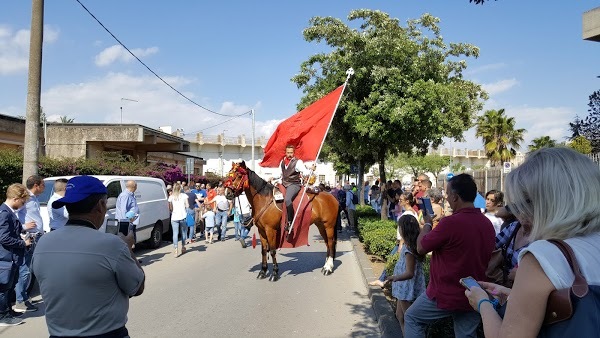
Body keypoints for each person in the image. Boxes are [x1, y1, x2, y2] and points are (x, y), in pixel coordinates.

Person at [464, 147, 600, 337]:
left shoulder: (543, 255)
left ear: (547, 202)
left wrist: (483, 304)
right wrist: (514, 296)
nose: (518, 215)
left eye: (522, 203)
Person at [32, 175, 145, 337]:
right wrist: (128, 248)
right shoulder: (112, 245)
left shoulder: (43, 243)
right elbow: (138, 287)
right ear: (101, 205)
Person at [404, 173, 496, 338]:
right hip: (473, 293)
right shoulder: (487, 223)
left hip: (445, 294)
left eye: (447, 194)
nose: (446, 198)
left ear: (455, 197)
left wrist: (427, 225)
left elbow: (420, 247)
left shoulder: (450, 223)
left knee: (412, 318)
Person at [385, 215, 426, 334]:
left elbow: (409, 273)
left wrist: (394, 278)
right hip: (402, 287)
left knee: (409, 318)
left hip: (405, 287)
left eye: (399, 227)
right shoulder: (409, 246)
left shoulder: (409, 251)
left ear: (404, 230)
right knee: (400, 315)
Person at [0, 184, 33, 326]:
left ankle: (9, 310)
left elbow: (15, 230)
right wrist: (22, 244)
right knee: (3, 288)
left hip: (12, 257)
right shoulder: (4, 213)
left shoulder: (9, 212)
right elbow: (3, 237)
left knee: (10, 286)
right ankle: (2, 316)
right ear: (15, 199)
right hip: (5, 258)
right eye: (22, 201)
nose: (23, 205)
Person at [370, 191, 418, 287]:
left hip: (403, 244)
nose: (399, 201)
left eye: (401, 200)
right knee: (394, 262)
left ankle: (383, 281)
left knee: (392, 262)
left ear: (407, 201)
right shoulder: (411, 212)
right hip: (404, 243)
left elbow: (406, 232)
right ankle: (383, 280)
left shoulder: (408, 214)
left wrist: (400, 244)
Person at [14, 175, 45, 313]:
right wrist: (23, 226)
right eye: (43, 184)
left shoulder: (34, 198)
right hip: (29, 237)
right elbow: (12, 213)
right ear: (36, 185)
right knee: (25, 269)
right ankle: (20, 301)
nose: (44, 187)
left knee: (30, 269)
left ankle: (24, 297)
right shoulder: (25, 198)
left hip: (35, 237)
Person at [274, 144, 314, 232]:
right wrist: (271, 177)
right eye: (288, 152)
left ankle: (290, 222)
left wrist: (311, 169)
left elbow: (305, 172)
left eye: (291, 153)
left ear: (293, 153)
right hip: (283, 183)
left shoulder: (298, 162)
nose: (289, 154)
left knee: (288, 200)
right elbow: (278, 173)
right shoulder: (282, 162)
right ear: (285, 153)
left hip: (294, 184)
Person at [116, 180, 139, 246]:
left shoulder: (130, 194)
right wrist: (127, 224)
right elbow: (123, 210)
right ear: (134, 186)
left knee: (131, 242)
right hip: (126, 224)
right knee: (128, 243)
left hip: (131, 222)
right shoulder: (125, 195)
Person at [168, 183, 189, 257]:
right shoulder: (184, 196)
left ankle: (175, 250)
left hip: (174, 217)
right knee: (183, 233)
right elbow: (187, 205)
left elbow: (170, 208)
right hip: (182, 216)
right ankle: (183, 247)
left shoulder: (171, 197)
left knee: (175, 233)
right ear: (180, 189)